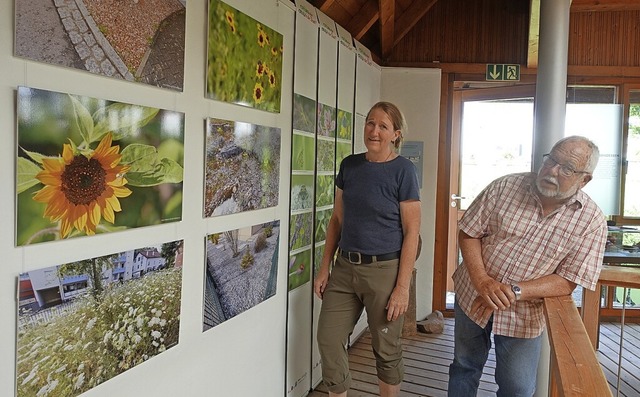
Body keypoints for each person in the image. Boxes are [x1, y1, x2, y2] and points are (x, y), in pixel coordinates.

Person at [447, 135, 608, 397]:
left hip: (523, 314)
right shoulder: (505, 187)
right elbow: (469, 232)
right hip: (473, 294)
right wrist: (483, 281)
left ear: (585, 179)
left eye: (567, 168)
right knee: (464, 367)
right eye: (552, 160)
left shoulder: (591, 222)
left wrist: (512, 291)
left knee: (517, 388)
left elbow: (568, 280)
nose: (552, 171)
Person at [314, 102, 421, 397]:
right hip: (345, 268)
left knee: (386, 347)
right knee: (328, 338)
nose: (374, 131)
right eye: (370, 123)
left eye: (383, 126)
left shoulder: (404, 171)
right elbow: (337, 219)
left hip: (385, 271)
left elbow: (412, 231)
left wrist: (402, 288)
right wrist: (324, 268)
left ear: (395, 134)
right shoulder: (349, 165)